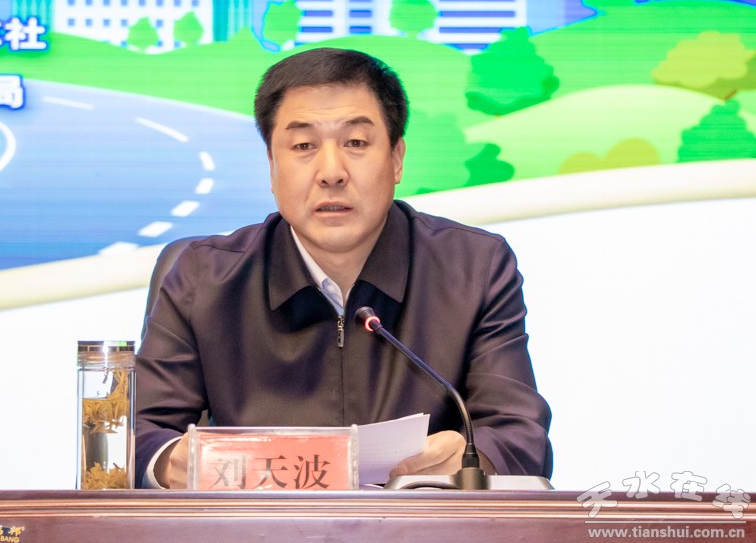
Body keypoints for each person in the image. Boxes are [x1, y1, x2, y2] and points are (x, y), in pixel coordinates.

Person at [135, 47, 552, 489]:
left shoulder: (473, 268)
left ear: (396, 158)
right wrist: (167, 462)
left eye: (356, 143)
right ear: (272, 167)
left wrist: (474, 460)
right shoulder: (204, 277)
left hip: (416, 525)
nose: (331, 172)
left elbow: (521, 439)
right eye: (303, 146)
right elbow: (138, 434)